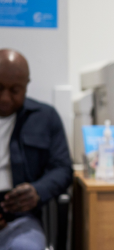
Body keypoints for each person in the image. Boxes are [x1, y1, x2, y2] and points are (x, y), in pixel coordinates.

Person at [0, 49, 73, 249]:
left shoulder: (45, 117)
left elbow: (63, 169)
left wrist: (38, 190)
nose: (5, 98)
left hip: (19, 219)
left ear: (26, 86)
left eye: (15, 90)